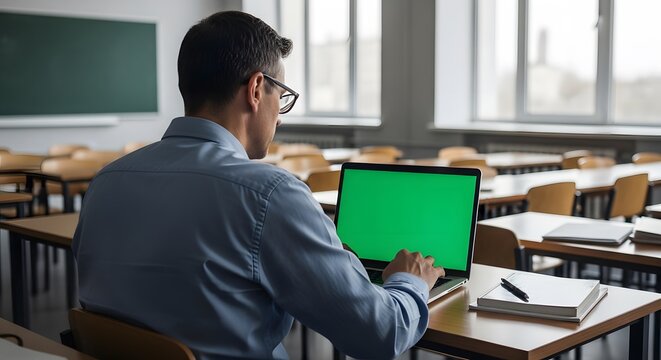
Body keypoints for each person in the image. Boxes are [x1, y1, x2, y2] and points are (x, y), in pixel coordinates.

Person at [73, 10, 444, 359]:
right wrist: (410, 282)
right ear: (255, 89)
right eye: (281, 97)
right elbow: (380, 335)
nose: (280, 118)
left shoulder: (106, 181)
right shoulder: (269, 194)